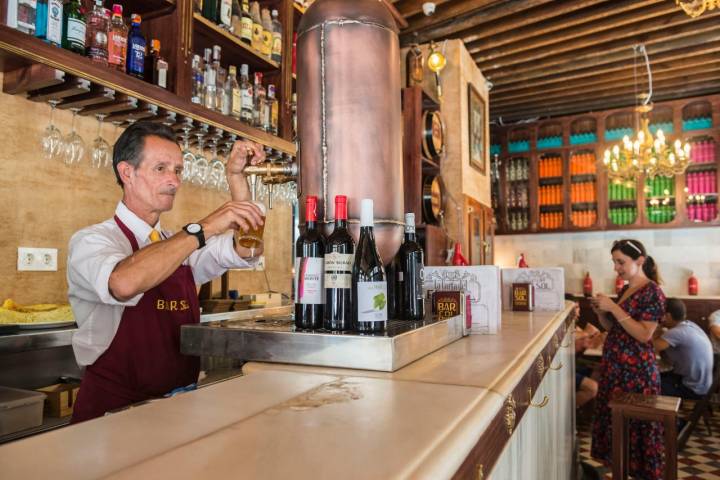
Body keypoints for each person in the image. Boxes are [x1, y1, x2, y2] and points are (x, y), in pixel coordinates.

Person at [67, 122, 266, 423]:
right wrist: (205, 227)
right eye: (161, 168)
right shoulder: (92, 241)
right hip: (112, 416)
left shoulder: (179, 244)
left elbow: (247, 248)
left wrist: (236, 178)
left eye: (178, 170)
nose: (174, 180)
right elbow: (123, 283)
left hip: (178, 408)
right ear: (127, 172)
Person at [590, 239, 666, 480]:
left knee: (634, 428)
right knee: (617, 427)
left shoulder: (652, 291)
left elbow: (644, 334)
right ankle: (620, 472)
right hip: (616, 369)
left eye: (621, 262)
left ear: (640, 261)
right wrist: (602, 313)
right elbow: (615, 328)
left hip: (636, 373)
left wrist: (613, 308)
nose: (616, 267)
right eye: (614, 262)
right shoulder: (626, 290)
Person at [654, 298, 714, 399]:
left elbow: (651, 347)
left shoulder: (676, 332)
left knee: (651, 384)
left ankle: (653, 413)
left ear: (667, 316)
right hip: (703, 386)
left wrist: (655, 329)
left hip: (692, 390)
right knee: (661, 376)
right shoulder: (690, 325)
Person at [574, 322, 600, 408]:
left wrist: (596, 338)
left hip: (573, 365)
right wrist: (586, 334)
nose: (578, 312)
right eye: (576, 308)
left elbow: (588, 343)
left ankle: (590, 414)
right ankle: (566, 414)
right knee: (592, 387)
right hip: (560, 371)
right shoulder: (563, 327)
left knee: (598, 373)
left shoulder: (573, 325)